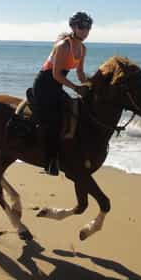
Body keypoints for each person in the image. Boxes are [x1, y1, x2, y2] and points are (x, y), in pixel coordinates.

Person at [32, 11, 93, 176]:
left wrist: (91, 84)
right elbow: (56, 74)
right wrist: (75, 88)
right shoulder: (64, 46)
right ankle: (50, 162)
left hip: (58, 85)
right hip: (45, 84)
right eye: (82, 26)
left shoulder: (83, 48)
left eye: (88, 27)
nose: (85, 30)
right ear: (73, 27)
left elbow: (80, 74)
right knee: (55, 121)